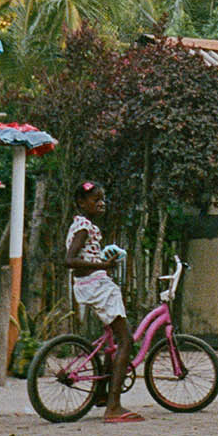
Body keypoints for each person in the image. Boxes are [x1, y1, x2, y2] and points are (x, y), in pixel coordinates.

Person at [65, 181, 140, 423]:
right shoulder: (84, 227)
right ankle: (114, 407)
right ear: (81, 203)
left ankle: (101, 394)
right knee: (126, 340)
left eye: (102, 199)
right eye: (95, 200)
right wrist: (102, 266)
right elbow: (69, 260)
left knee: (112, 342)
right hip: (97, 286)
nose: (101, 203)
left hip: (90, 286)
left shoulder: (82, 226)